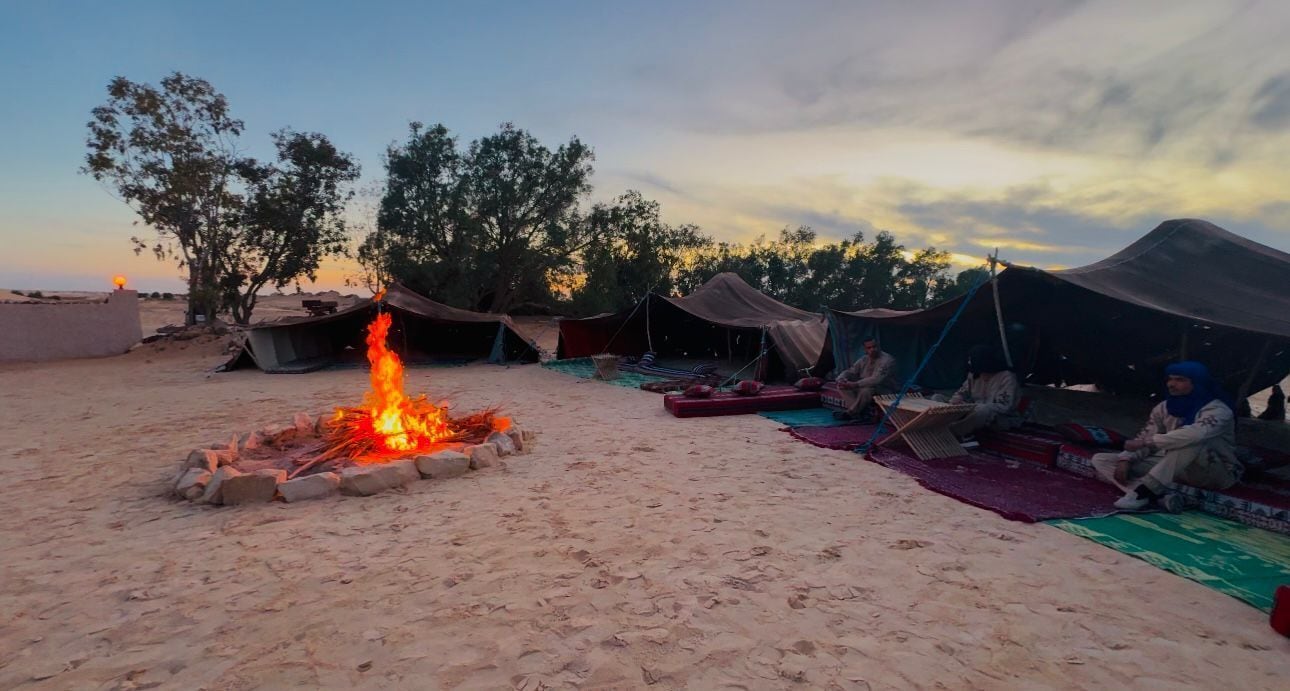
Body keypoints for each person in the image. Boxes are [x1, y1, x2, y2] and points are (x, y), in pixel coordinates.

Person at [1090, 361, 1242, 512]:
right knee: (1102, 460)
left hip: (1214, 471)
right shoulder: (1164, 407)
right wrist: (1126, 458)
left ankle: (1143, 493)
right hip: (1172, 467)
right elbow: (1146, 436)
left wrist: (1148, 442)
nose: (1171, 384)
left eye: (1180, 380)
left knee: (1188, 441)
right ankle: (1159, 496)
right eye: (1170, 379)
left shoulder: (1218, 410)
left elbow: (1194, 434)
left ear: (1197, 382)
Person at [940, 344, 1021, 438]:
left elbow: (1004, 407)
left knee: (983, 410)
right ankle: (937, 426)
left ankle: (951, 433)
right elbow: (962, 392)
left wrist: (973, 407)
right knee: (937, 397)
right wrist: (957, 400)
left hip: (998, 418)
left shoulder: (1007, 377)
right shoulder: (974, 375)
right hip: (972, 411)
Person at [834, 337, 899, 421]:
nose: (872, 349)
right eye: (869, 348)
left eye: (874, 346)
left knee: (867, 390)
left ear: (878, 346)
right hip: (866, 386)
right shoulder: (864, 359)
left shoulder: (887, 360)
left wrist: (854, 384)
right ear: (865, 349)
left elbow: (876, 380)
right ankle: (859, 412)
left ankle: (851, 413)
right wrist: (841, 379)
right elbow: (851, 371)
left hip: (885, 389)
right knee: (842, 386)